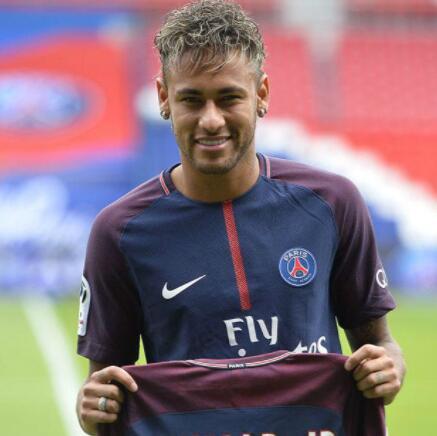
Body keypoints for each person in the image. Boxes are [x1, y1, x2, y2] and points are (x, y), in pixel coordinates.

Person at [75, 0, 405, 434]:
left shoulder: (332, 202)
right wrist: (93, 407)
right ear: (164, 98)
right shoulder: (119, 232)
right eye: (191, 99)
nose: (211, 120)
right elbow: (106, 385)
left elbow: (381, 346)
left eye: (229, 97)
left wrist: (388, 368)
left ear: (261, 94)